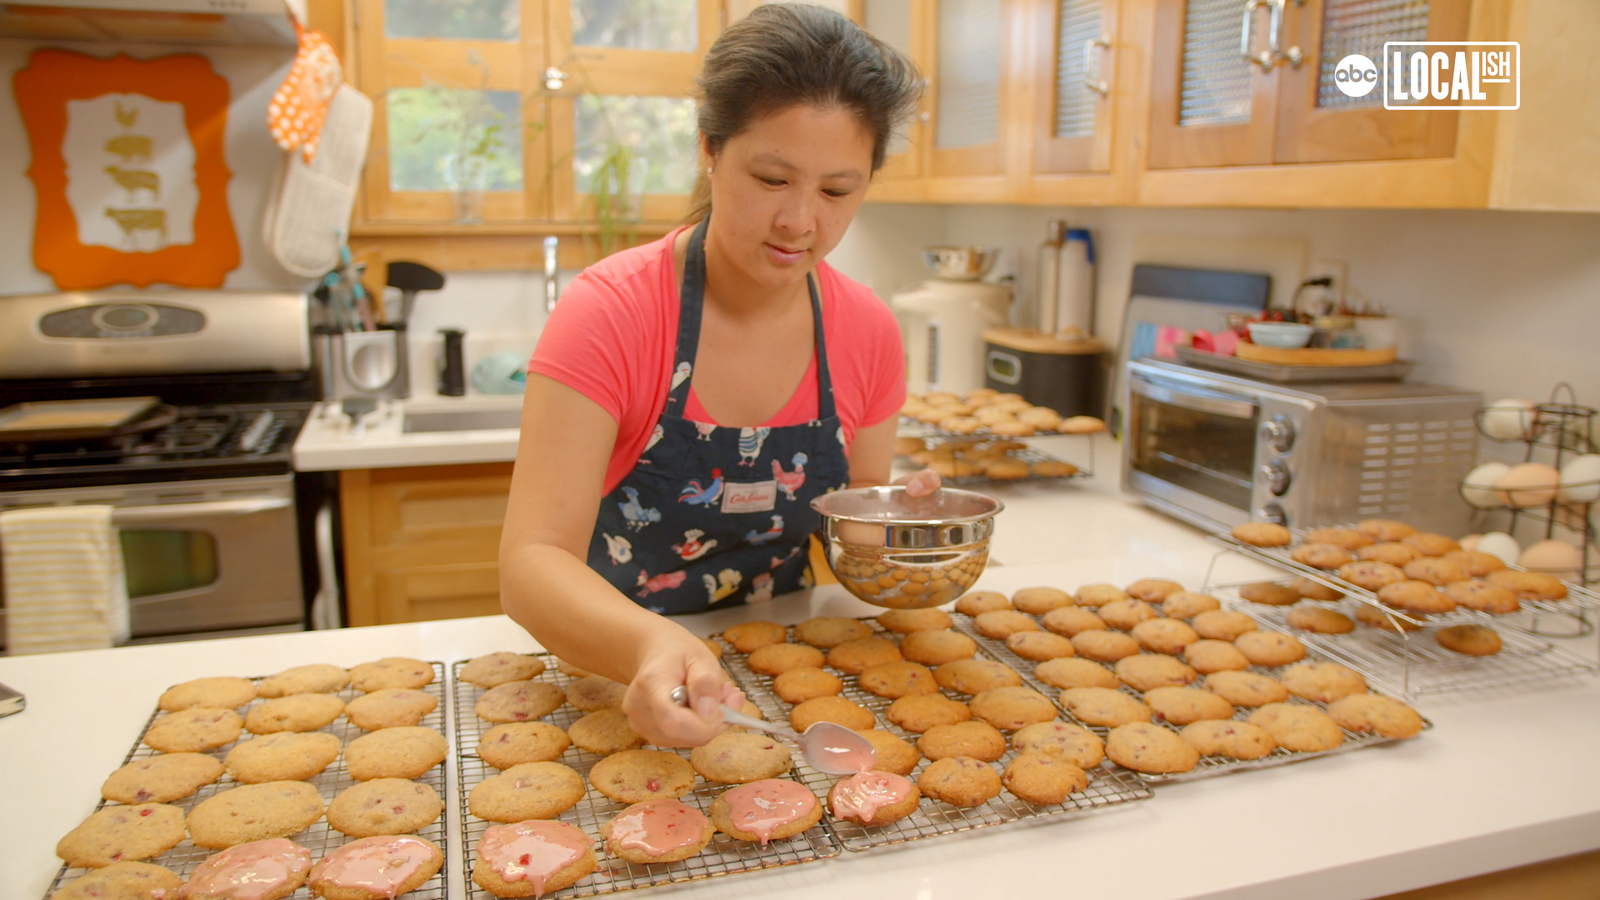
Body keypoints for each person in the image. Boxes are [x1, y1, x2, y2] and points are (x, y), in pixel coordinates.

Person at [499, 3, 932, 751]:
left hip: (785, 704)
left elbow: (847, 542)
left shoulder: (867, 332)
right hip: (620, 686)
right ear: (710, 149)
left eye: (837, 191)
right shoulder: (614, 314)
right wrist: (646, 648)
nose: (800, 221)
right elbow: (530, 562)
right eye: (771, 178)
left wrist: (903, 532)